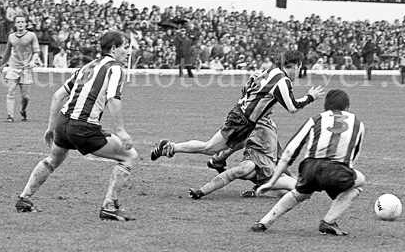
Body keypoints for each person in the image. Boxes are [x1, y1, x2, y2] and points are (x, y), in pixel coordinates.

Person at [15, 30, 138, 221]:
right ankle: (109, 206)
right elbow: (114, 98)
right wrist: (121, 131)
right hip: (83, 127)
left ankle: (24, 198)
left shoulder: (88, 67)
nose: (128, 52)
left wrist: (50, 127)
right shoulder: (115, 69)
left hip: (63, 123)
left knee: (53, 159)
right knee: (129, 156)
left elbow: (58, 95)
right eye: (125, 47)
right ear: (113, 49)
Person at [150, 50, 324, 172]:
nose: (299, 72)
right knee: (209, 147)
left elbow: (250, 85)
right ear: (292, 66)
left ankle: (218, 161)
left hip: (244, 117)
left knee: (242, 143)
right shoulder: (282, 81)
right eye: (299, 67)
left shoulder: (270, 71)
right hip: (243, 120)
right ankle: (170, 147)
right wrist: (310, 97)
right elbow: (292, 107)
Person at [251, 89, 366, 236]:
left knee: (300, 192)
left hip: (309, 168)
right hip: (336, 171)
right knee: (360, 180)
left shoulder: (316, 119)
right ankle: (329, 221)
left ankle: (263, 223)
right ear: (347, 107)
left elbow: (289, 153)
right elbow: (353, 157)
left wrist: (271, 182)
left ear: (326, 107)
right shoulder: (358, 124)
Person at [187, 115, 297, 200]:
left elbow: (278, 155)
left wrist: (291, 175)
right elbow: (233, 140)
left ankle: (258, 191)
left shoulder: (271, 125)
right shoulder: (249, 122)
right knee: (241, 170)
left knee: (298, 188)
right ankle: (200, 192)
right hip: (254, 159)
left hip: (269, 169)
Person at [1, 15, 40, 122]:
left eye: (22, 21)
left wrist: (32, 61)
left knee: (25, 96)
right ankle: (10, 116)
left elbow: (36, 51)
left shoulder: (31, 35)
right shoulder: (11, 37)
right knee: (10, 91)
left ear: (25, 23)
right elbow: (7, 52)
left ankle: (23, 110)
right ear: (15, 24)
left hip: (26, 68)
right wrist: (3, 64)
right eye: (18, 22)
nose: (20, 23)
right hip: (14, 67)